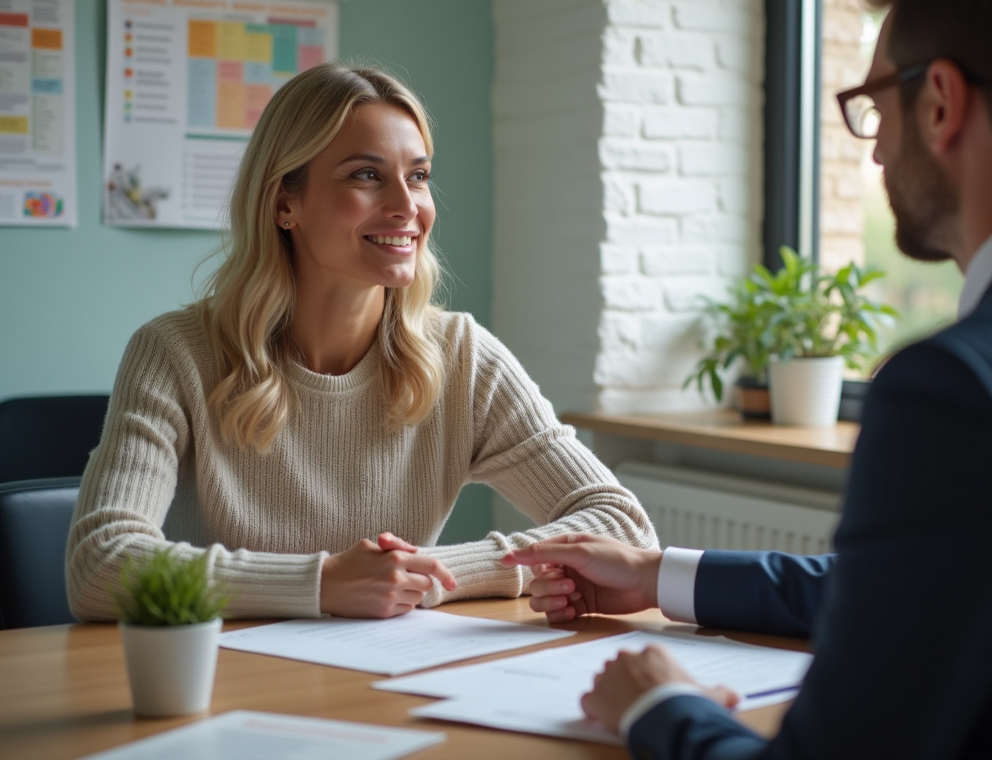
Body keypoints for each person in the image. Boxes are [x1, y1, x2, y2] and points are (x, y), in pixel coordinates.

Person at [502, 0, 992, 757]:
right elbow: (932, 589)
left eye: (873, 106)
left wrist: (660, 708)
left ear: (940, 102)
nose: (873, 155)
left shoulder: (963, 387)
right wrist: (660, 573)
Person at [67, 62, 657, 622]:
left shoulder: (461, 356)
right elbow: (98, 564)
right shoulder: (176, 353)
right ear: (284, 202)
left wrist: (427, 575)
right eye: (366, 175)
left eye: (418, 176)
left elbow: (624, 528)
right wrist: (321, 583)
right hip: (226, 681)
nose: (408, 207)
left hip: (388, 677)